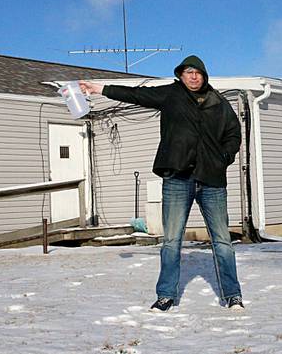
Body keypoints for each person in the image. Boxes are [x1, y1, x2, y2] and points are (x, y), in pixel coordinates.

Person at [79, 55, 243, 311]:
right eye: (188, 72)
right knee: (171, 241)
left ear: (204, 75)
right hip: (178, 179)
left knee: (222, 241)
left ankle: (233, 295)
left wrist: (225, 157)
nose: (193, 76)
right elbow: (137, 94)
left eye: (197, 72)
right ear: (180, 75)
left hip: (212, 180)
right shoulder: (171, 95)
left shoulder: (218, 102)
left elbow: (234, 133)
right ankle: (166, 295)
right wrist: (100, 88)